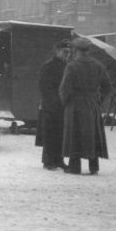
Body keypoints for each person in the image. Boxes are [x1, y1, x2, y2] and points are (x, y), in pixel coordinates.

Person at [59, 37, 112, 175]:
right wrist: (98, 100)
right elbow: (107, 86)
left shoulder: (72, 66)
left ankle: (74, 167)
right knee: (92, 134)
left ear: (76, 50)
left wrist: (65, 102)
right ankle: (94, 166)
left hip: (75, 105)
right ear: (88, 50)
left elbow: (65, 88)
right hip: (92, 104)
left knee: (74, 134)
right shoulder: (98, 65)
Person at [35, 40, 70, 171]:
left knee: (60, 134)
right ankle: (48, 161)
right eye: (64, 52)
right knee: (50, 134)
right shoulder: (49, 66)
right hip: (51, 105)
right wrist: (53, 101)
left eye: (68, 52)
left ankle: (59, 160)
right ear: (57, 51)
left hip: (62, 105)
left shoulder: (67, 66)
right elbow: (44, 87)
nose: (66, 55)